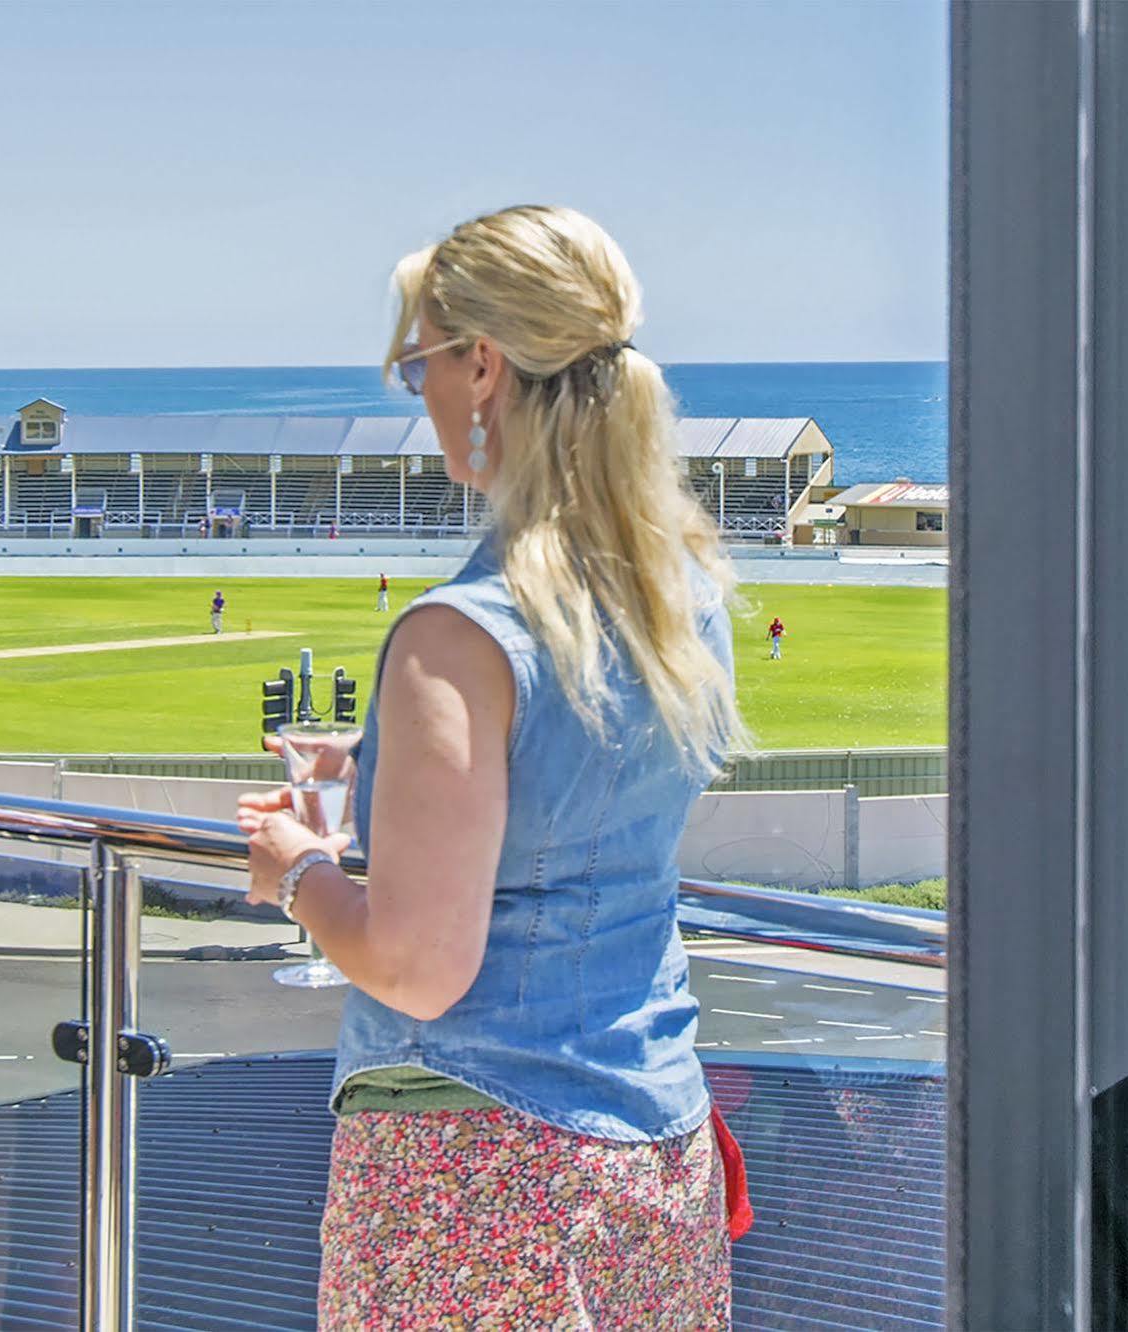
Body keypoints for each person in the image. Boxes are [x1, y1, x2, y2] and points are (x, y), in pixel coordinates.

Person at [237, 207, 746, 1328]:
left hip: (473, 1173)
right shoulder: (684, 602)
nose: (416, 396)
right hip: (654, 1158)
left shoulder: (457, 634)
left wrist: (297, 867)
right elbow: (582, 787)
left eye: (415, 362)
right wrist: (385, 765)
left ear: (483, 366)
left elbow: (416, 968)